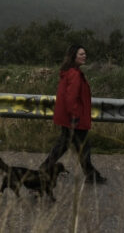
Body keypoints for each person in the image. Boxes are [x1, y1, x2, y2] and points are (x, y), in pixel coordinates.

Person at [39, 44, 107, 184]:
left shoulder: (69, 72)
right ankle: (91, 176)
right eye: (81, 54)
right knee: (81, 147)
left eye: (84, 54)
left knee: (67, 146)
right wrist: (75, 116)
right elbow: (71, 98)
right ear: (73, 56)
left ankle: (45, 169)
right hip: (74, 118)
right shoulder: (75, 74)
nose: (84, 56)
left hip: (69, 118)